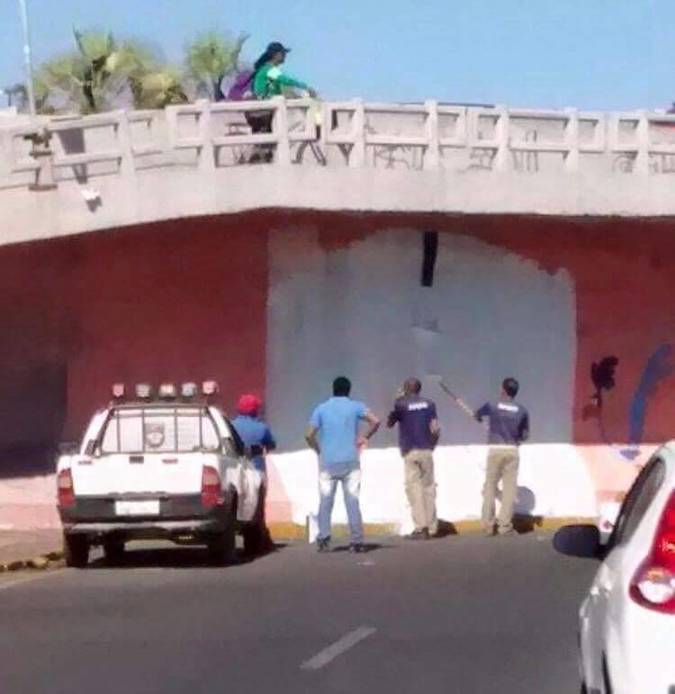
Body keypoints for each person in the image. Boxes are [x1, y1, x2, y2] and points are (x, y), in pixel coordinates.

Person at [305, 377, 380, 554]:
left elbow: (308, 434)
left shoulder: (321, 408)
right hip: (350, 461)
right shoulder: (356, 406)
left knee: (325, 502)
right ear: (348, 390)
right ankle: (357, 540)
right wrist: (364, 437)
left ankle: (324, 538)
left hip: (327, 462)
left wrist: (319, 450)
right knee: (352, 501)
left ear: (333, 389)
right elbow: (375, 421)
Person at [474, 378, 529, 537]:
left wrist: (478, 417)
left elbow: (478, 414)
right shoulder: (522, 410)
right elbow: (524, 435)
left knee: (490, 487)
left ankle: (488, 525)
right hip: (512, 450)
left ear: (503, 390)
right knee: (509, 490)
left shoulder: (492, 405)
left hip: (495, 450)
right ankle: (505, 526)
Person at [387, 378, 440, 540]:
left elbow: (390, 423)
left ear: (406, 388)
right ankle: (431, 527)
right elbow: (435, 428)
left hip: (410, 450)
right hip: (426, 450)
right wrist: (432, 445)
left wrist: (398, 400)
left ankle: (420, 527)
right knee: (429, 488)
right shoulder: (430, 404)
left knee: (414, 489)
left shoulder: (401, 404)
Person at [246, 41, 317, 162]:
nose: (285, 56)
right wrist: (305, 86)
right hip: (265, 107)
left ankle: (271, 150)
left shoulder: (267, 69)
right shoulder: (269, 69)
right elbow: (285, 79)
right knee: (298, 119)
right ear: (276, 55)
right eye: (283, 53)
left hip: (268, 106)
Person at [230, 394, 277, 554]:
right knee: (257, 508)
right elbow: (271, 445)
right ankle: (254, 544)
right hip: (256, 469)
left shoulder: (230, 425)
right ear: (254, 410)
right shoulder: (261, 428)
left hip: (236, 471)